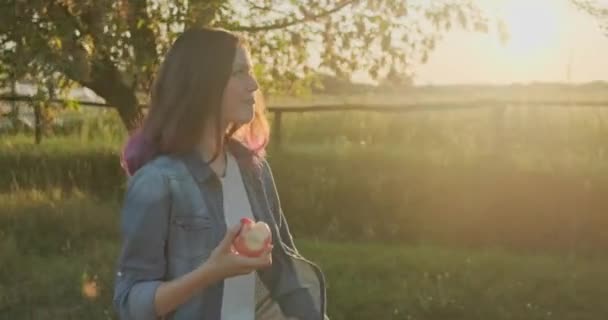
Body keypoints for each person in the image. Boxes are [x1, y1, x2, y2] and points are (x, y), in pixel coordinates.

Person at [113, 27, 327, 320]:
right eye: (239, 72)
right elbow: (130, 303)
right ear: (204, 83)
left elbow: (284, 275)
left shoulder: (254, 170)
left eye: (250, 72)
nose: (253, 84)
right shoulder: (157, 182)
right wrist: (210, 272)